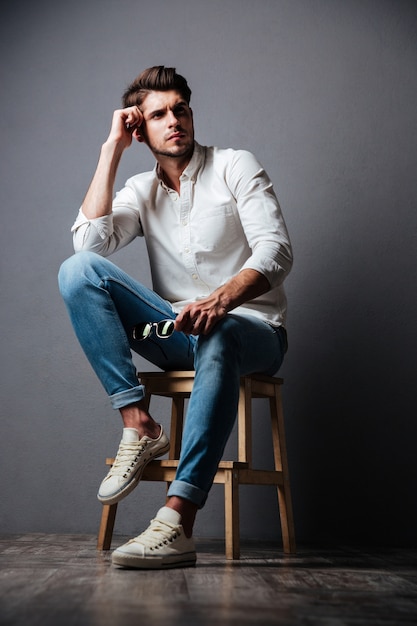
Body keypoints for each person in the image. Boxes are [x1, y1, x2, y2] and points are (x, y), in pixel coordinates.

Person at [58, 65, 293, 569]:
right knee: (78, 271)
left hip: (251, 331)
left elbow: (277, 252)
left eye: (180, 110)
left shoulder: (234, 165)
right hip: (171, 332)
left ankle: (177, 521)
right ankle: (137, 422)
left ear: (191, 113)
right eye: (159, 114)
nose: (174, 122)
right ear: (140, 127)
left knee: (221, 331)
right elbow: (88, 243)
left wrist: (223, 298)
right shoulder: (141, 191)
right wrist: (111, 150)